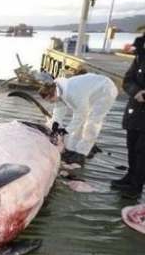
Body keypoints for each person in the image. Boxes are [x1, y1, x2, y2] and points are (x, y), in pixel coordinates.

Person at [36, 70, 118, 165]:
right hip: (91, 91)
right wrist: (55, 122)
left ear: (53, 94)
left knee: (92, 122)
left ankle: (81, 153)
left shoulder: (73, 93)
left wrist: (66, 130)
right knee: (78, 121)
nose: (50, 103)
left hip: (105, 90)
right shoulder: (58, 90)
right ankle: (71, 149)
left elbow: (81, 114)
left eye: (50, 100)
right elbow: (59, 108)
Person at [110, 33, 145, 199]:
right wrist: (137, 91)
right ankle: (130, 177)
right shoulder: (140, 58)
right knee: (132, 147)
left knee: (142, 151)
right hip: (136, 110)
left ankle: (137, 186)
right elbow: (128, 79)